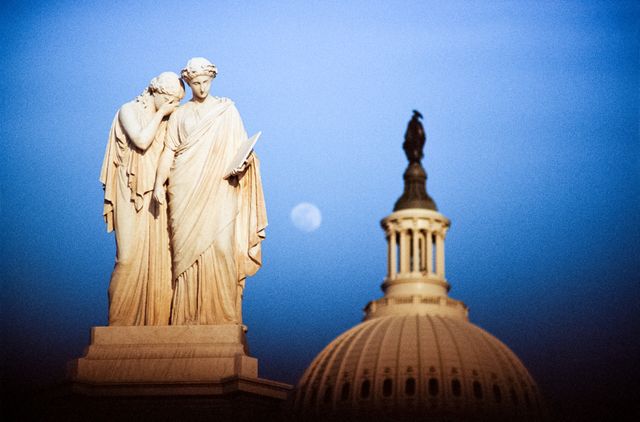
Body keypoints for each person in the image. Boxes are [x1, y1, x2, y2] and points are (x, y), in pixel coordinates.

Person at [153, 57, 267, 325]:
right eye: (196, 83)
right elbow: (168, 150)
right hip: (184, 187)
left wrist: (244, 165)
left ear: (212, 80)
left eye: (205, 82)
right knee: (184, 256)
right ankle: (185, 316)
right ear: (189, 84)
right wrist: (159, 183)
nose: (202, 88)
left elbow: (244, 149)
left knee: (222, 248)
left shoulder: (227, 111)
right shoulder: (180, 114)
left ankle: (223, 316)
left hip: (221, 186)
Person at [100, 72, 184, 325]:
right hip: (129, 189)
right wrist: (160, 114)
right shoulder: (128, 110)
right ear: (157, 93)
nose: (174, 106)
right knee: (126, 258)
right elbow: (141, 140)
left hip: (156, 195)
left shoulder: (170, 120)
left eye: (177, 102)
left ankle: (156, 322)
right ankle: (118, 323)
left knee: (161, 262)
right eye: (171, 99)